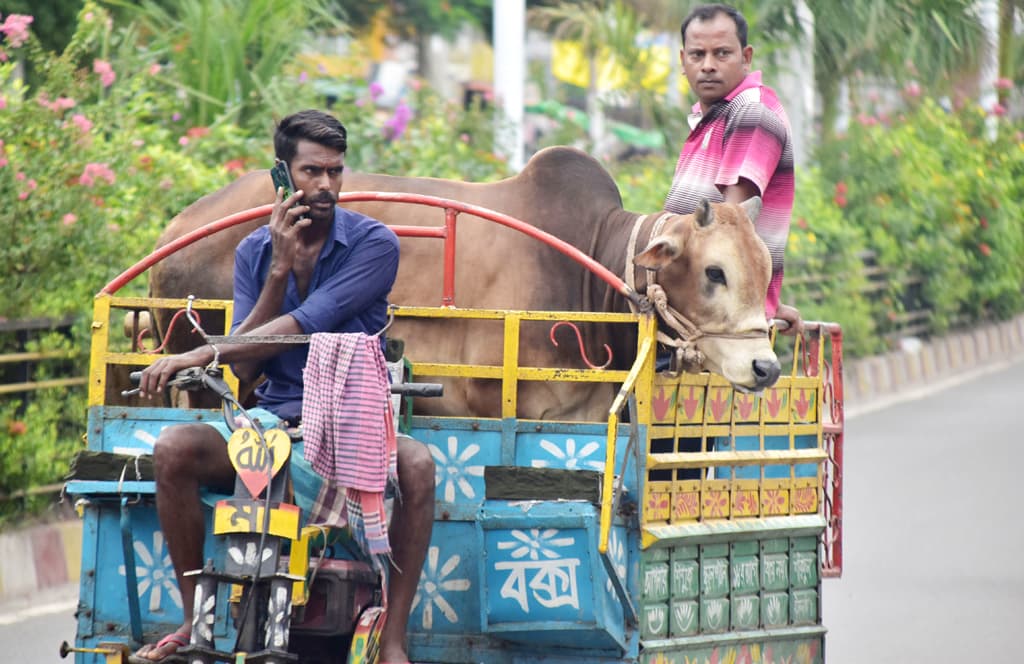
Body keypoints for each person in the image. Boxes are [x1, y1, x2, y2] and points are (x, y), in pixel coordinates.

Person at [131, 110, 434, 664]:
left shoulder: (375, 245)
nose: (324, 186)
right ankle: (194, 619)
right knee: (174, 449)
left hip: (353, 425)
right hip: (273, 426)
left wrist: (203, 350)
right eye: (311, 171)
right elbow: (246, 371)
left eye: (335, 172)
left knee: (417, 466)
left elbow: (313, 319)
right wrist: (277, 271)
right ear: (282, 175)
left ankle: (394, 641)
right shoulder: (253, 252)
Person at [665, 3, 802, 334]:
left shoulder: (751, 112)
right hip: (698, 310)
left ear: (747, 56)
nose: (708, 66)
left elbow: (730, 226)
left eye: (722, 53)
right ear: (683, 61)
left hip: (719, 320)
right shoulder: (711, 118)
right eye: (698, 55)